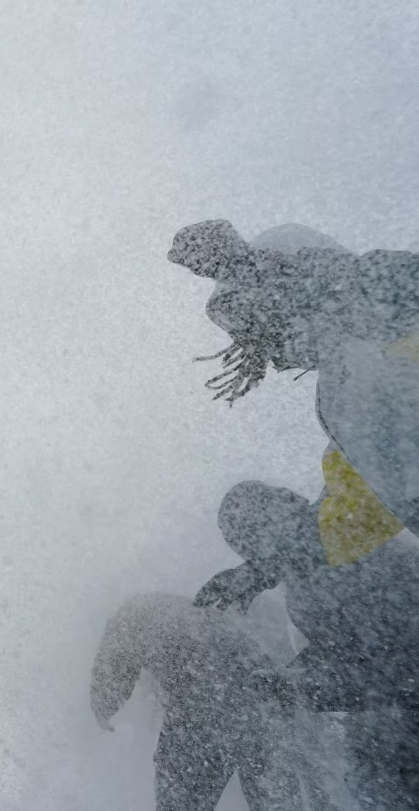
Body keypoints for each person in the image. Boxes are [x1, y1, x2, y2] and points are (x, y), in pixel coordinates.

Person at [169, 221, 419, 558]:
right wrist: (281, 558)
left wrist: (329, 276)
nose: (270, 351)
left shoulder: (381, 321)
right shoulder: (340, 401)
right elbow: (360, 511)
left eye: (260, 320)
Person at [197, 480, 419, 806]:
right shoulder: (315, 576)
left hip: (402, 713)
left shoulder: (352, 554)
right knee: (368, 761)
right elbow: (348, 650)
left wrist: (301, 687)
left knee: (374, 761)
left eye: (252, 538)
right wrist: (290, 677)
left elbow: (398, 672)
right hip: (398, 711)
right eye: (245, 546)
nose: (249, 552)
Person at [91, 593, 302, 811]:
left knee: (181, 800)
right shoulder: (189, 614)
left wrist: (102, 709)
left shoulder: (129, 619)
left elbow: (113, 668)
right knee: (274, 798)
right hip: (267, 698)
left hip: (205, 708)